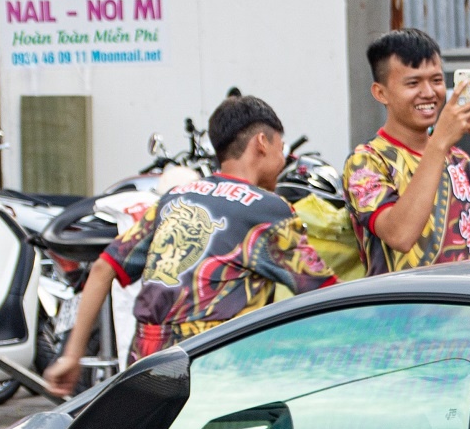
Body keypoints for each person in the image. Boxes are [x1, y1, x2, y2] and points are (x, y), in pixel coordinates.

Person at [45, 94, 335, 395]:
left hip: (146, 372)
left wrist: (72, 355)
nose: (283, 158)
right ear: (262, 142)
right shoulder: (269, 209)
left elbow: (105, 266)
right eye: (281, 147)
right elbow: (324, 290)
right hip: (218, 378)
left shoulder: (174, 198)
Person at [344, 28, 470, 274]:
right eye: (413, 83)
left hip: (465, 310)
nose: (429, 93)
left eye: (436, 80)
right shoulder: (366, 162)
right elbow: (400, 236)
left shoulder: (461, 162)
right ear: (380, 93)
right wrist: (438, 143)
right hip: (399, 311)